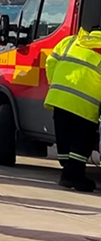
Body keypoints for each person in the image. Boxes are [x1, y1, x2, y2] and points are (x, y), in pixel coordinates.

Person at [44, 28, 101, 192]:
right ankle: (72, 175)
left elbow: (50, 62)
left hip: (59, 98)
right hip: (85, 105)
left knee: (65, 137)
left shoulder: (70, 41)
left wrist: (54, 83)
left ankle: (68, 173)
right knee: (81, 142)